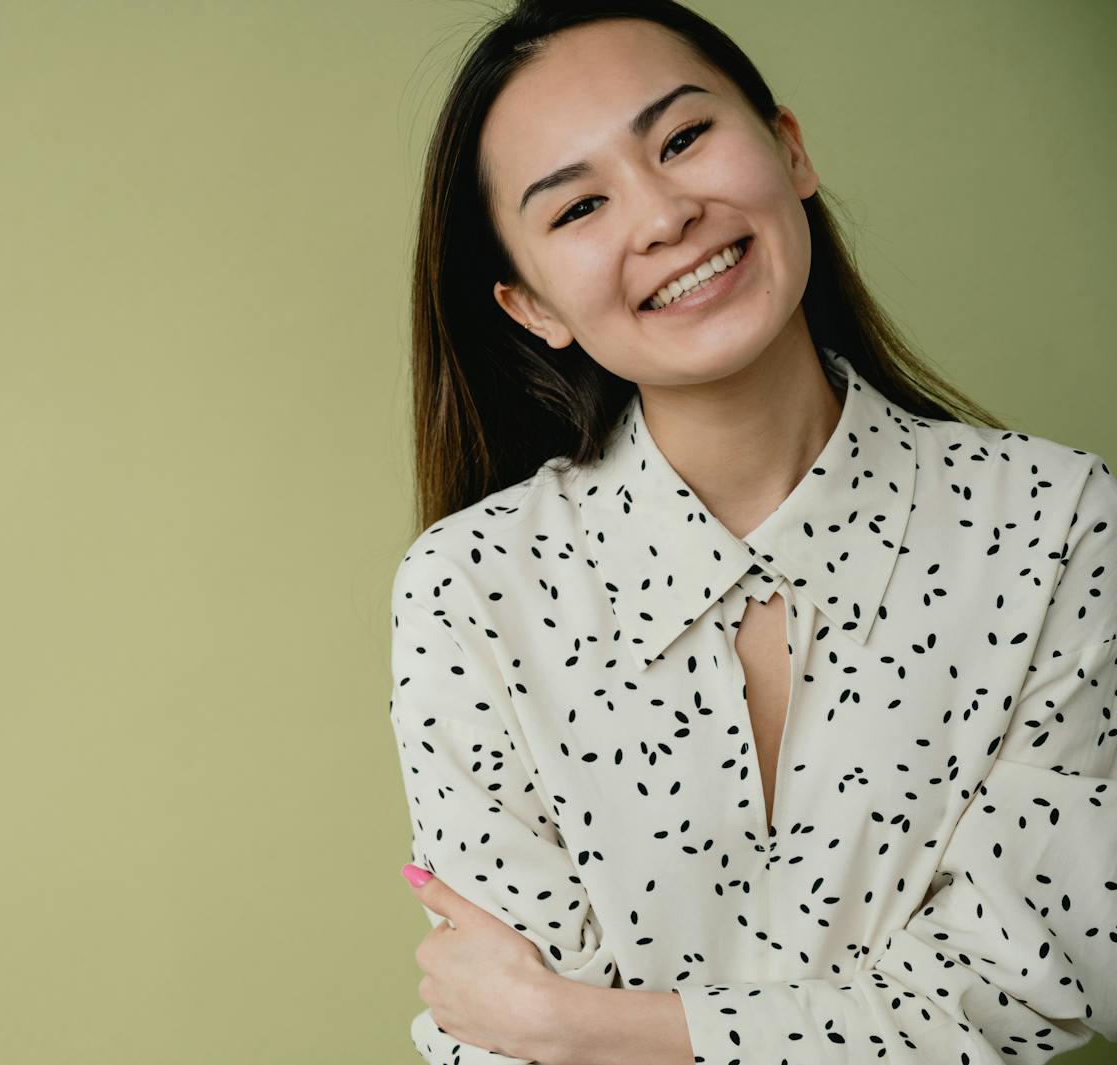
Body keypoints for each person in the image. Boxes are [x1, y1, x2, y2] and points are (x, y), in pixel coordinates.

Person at [384, 3, 1117, 1064]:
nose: (663, 214)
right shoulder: (470, 589)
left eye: (683, 139)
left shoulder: (1054, 527)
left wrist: (585, 1027)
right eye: (579, 205)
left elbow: (1029, 990)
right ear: (529, 304)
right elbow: (502, 1041)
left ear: (788, 150)